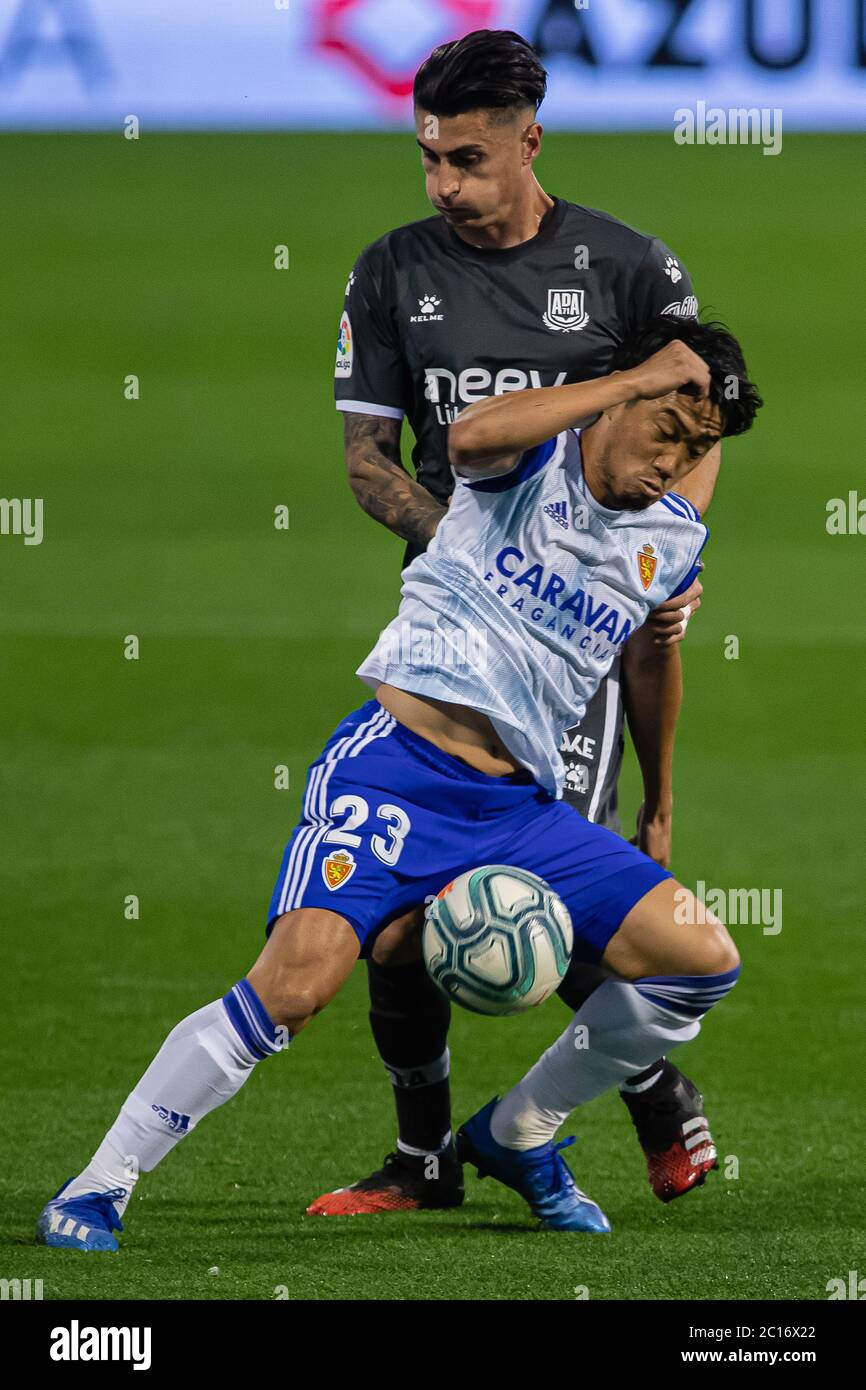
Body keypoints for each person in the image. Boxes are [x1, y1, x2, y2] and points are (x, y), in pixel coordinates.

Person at [36, 315, 762, 1249]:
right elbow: (466, 439)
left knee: (702, 962)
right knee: (292, 990)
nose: (673, 463)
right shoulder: (528, 460)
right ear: (623, 392)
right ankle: (98, 1185)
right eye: (667, 431)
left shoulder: (668, 537)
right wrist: (633, 380)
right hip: (394, 773)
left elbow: (656, 662)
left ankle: (516, 1136)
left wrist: (658, 802)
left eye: (695, 450)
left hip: (515, 810)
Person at [323, 27, 718, 1214]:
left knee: (528, 891)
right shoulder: (388, 270)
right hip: (443, 634)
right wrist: (458, 539)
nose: (444, 185)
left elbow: (695, 420)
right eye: (428, 160)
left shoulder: (626, 270)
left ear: (527, 143)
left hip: (562, 653)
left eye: (466, 161)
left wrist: (662, 559)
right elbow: (365, 458)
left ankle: (640, 1097)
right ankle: (423, 1158)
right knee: (394, 929)